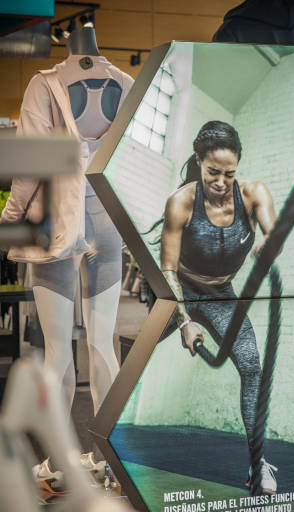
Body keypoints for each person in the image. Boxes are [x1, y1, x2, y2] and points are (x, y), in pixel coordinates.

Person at [0, 26, 133, 485]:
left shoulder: (45, 83)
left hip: (54, 225)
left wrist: (10, 219)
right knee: (103, 345)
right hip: (107, 224)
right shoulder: (125, 84)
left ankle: (59, 462)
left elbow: (31, 166)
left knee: (56, 351)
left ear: (68, 45)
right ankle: (113, 461)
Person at [155, 120, 278, 493]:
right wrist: (184, 320)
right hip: (179, 290)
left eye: (229, 173)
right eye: (213, 172)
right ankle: (103, 453)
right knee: (133, 363)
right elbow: (168, 269)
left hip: (222, 293)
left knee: (252, 366)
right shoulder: (181, 202)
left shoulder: (254, 193)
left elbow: (275, 232)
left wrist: (270, 244)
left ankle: (259, 464)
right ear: (199, 162)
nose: (222, 181)